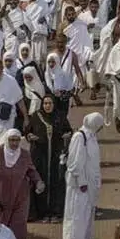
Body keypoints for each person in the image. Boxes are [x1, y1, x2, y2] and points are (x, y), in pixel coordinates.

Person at [0, 127, 44, 239]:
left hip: (20, 198)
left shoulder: (24, 154)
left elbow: (31, 170)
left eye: (17, 140)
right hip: (0, 199)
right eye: (11, 140)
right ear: (6, 140)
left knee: (19, 230)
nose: (14, 144)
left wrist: (38, 181)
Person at [26, 93, 72, 222]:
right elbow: (28, 131)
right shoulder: (36, 116)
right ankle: (42, 212)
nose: (47, 106)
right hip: (40, 156)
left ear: (54, 104)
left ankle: (55, 212)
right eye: (45, 103)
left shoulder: (60, 116)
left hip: (55, 156)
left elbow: (68, 130)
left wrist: (67, 135)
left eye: (49, 103)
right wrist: (30, 136)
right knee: (41, 181)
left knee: (56, 182)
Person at [63, 112, 105, 239]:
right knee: (77, 211)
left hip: (90, 182)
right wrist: (82, 182)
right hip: (81, 183)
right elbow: (75, 163)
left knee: (87, 210)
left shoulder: (91, 136)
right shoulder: (79, 137)